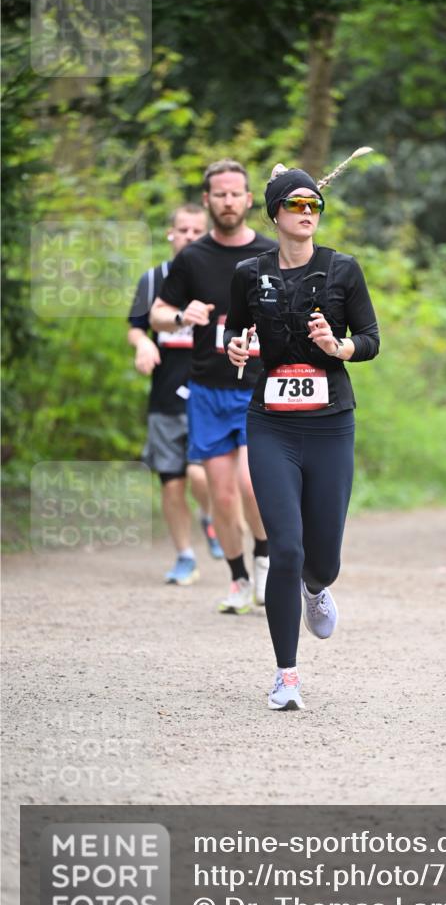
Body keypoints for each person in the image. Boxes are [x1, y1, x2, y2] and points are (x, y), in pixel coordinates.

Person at [225, 165, 380, 710]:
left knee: (323, 559)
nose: (307, 214)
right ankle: (286, 676)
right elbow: (232, 329)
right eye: (296, 206)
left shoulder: (343, 270)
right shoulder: (250, 273)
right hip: (272, 423)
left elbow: (370, 339)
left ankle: (319, 588)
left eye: (314, 206)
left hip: (331, 423)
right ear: (275, 213)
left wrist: (339, 348)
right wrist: (236, 350)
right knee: (285, 548)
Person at [150, 160, 275, 613]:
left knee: (251, 485)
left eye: (235, 193)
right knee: (221, 495)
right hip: (207, 390)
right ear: (208, 201)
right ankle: (239, 578)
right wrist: (184, 316)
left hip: (258, 390)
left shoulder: (270, 254)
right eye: (218, 194)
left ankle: (265, 559)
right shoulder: (193, 258)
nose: (227, 201)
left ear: (247, 199)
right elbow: (158, 314)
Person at [128, 203, 224, 586]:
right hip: (166, 392)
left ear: (207, 234)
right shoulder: (153, 281)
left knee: (200, 472)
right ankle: (185, 556)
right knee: (171, 480)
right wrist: (142, 345)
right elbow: (136, 327)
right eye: (182, 230)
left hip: (210, 389)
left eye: (196, 231)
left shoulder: (221, 275)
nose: (188, 236)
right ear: (171, 234)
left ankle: (210, 516)